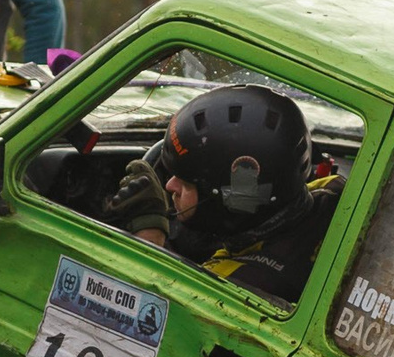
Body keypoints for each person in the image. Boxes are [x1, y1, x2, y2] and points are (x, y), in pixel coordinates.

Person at [101, 84, 342, 304]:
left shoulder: (234, 286)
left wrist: (150, 238)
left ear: (229, 203)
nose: (169, 186)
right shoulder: (334, 193)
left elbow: (146, 307)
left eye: (186, 184)